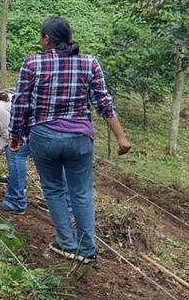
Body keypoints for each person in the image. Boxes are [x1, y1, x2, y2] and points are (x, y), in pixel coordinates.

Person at [9, 17, 132, 264]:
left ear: (46, 39)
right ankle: (87, 249)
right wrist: (121, 137)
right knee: (82, 193)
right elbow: (103, 102)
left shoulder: (32, 63)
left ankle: (66, 243)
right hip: (79, 139)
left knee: (54, 190)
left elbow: (20, 102)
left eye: (41, 37)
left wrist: (15, 136)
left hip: (44, 136)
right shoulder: (89, 63)